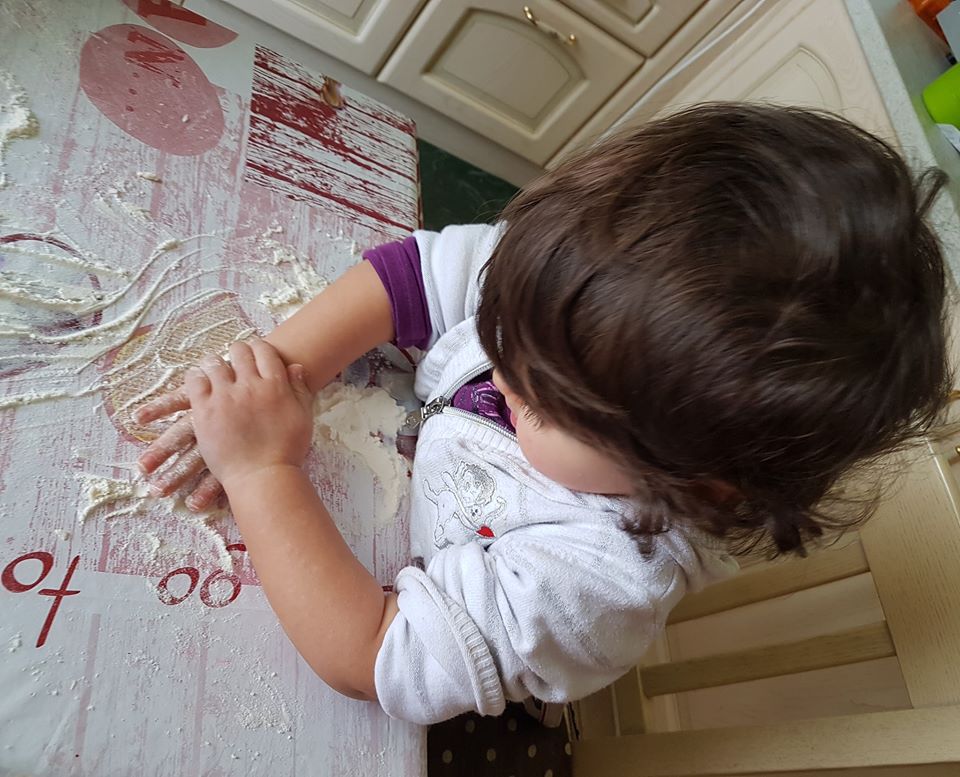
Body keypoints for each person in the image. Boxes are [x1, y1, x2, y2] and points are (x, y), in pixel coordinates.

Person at [133, 103, 950, 724]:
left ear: (700, 485)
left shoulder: (597, 581)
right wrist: (289, 369)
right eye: (506, 330)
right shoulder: (575, 292)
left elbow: (373, 654)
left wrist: (261, 467)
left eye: (547, 394)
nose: (504, 362)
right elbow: (412, 274)